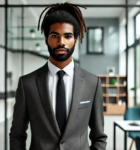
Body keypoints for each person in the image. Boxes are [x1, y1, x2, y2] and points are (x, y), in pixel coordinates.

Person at [9, 3, 107, 150]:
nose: (61, 42)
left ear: (75, 40)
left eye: (67, 36)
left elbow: (99, 136)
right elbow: (17, 134)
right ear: (46, 40)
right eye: (55, 36)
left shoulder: (92, 83)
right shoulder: (27, 84)